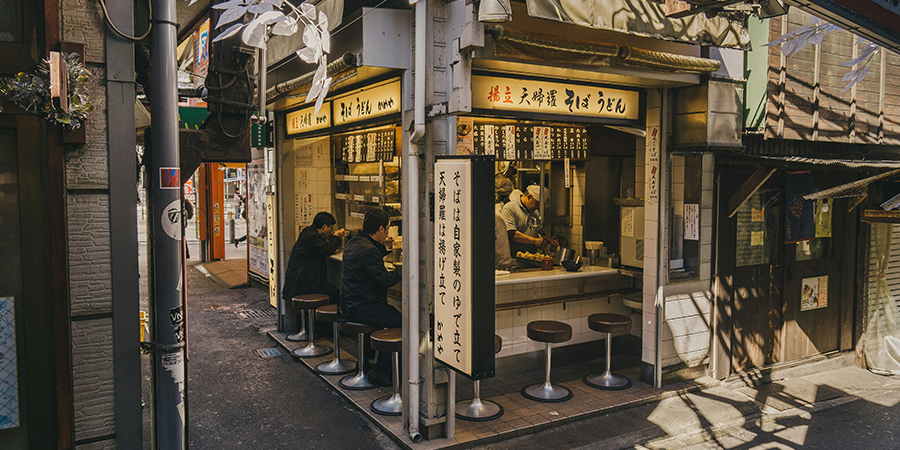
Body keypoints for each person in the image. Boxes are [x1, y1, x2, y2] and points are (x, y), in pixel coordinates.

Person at [339, 208, 402, 387]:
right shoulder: (368, 250)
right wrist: (403, 269)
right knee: (402, 323)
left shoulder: (354, 242)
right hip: (363, 307)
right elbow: (385, 280)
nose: (388, 232)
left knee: (389, 319)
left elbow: (368, 257)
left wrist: (386, 249)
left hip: (349, 304)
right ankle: (381, 371)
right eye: (388, 228)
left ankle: (365, 365)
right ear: (380, 228)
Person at [281, 212, 346, 331]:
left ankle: (314, 330)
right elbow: (328, 249)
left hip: (303, 279)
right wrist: (337, 237)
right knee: (336, 294)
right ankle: (326, 331)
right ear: (324, 226)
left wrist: (330, 237)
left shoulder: (309, 232)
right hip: (303, 283)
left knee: (333, 292)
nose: (331, 231)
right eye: (331, 228)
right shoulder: (312, 236)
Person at [499, 185, 557, 256]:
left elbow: (538, 230)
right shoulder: (510, 209)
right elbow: (511, 234)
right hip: (514, 257)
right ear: (529, 196)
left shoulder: (535, 213)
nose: (538, 207)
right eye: (537, 203)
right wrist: (534, 241)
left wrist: (550, 240)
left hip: (530, 257)